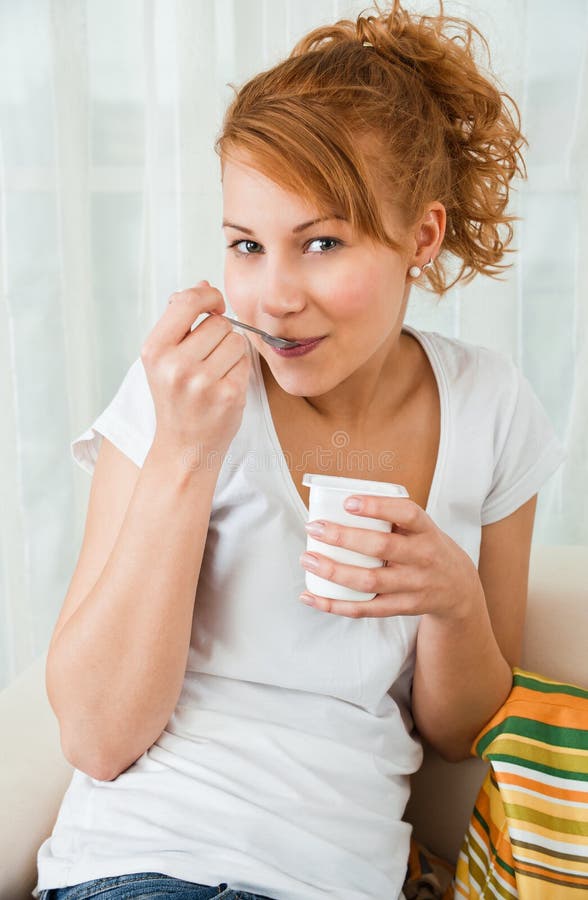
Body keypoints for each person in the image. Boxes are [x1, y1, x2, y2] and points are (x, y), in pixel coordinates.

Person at [34, 2, 567, 899]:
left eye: (321, 243)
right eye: (247, 245)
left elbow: (458, 731)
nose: (273, 296)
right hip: (147, 865)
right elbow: (95, 736)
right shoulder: (188, 390)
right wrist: (183, 457)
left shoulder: (492, 408)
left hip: (343, 878)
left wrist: (453, 602)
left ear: (421, 239)